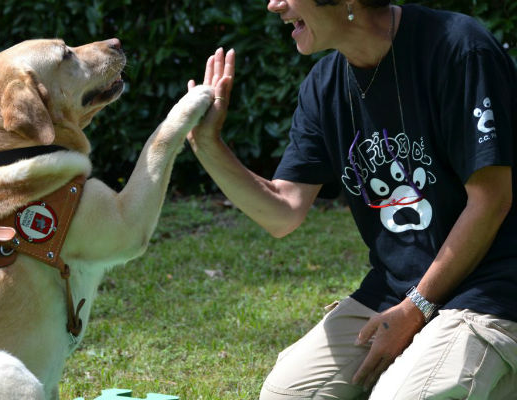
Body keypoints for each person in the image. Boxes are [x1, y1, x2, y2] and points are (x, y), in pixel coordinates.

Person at [186, 0, 517, 398]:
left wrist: (416, 310)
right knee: (285, 394)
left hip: (494, 289)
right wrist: (209, 145)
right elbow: (282, 212)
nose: (274, 5)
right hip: (394, 292)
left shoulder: (460, 49)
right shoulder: (323, 85)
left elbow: (491, 200)